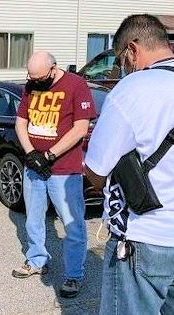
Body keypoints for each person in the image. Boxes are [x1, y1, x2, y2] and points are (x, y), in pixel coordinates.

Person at [85, 14, 174, 314]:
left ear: (132, 51)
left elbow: (96, 171)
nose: (121, 68)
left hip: (146, 236)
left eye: (121, 59)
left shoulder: (133, 88)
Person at [13, 51, 96, 298]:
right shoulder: (32, 85)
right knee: (33, 219)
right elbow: (20, 122)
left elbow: (81, 128)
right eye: (31, 77)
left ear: (53, 68)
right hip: (34, 168)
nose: (34, 82)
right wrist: (31, 153)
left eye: (39, 78)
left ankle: (73, 276)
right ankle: (37, 260)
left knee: (73, 225)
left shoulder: (76, 84)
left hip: (64, 170)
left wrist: (48, 155)